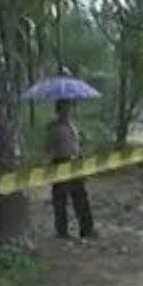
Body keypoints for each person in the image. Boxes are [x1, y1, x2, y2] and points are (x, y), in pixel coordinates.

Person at [46, 100, 96, 239]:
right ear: (58, 110)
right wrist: (47, 164)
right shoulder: (53, 127)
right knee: (60, 198)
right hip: (61, 162)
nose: (67, 111)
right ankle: (62, 231)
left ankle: (87, 229)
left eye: (68, 108)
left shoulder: (73, 125)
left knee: (81, 196)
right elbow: (49, 147)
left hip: (75, 162)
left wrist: (82, 144)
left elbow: (77, 144)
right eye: (64, 109)